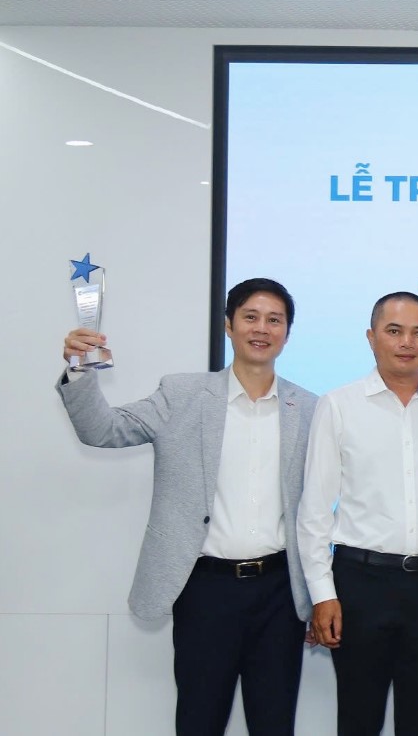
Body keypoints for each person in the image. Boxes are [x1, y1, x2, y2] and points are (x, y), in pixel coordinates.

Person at [57, 278, 316, 735]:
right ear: (228, 325)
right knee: (199, 720)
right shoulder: (181, 395)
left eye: (274, 320)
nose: (262, 328)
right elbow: (104, 430)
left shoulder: (310, 408)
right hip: (205, 589)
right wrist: (80, 370)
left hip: (280, 592)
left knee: (275, 723)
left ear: (287, 333)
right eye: (250, 317)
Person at [298, 292, 418, 736]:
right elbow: (314, 510)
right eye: (394, 331)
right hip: (360, 584)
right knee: (359, 719)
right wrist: (322, 594)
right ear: (372, 337)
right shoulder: (339, 404)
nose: (407, 342)